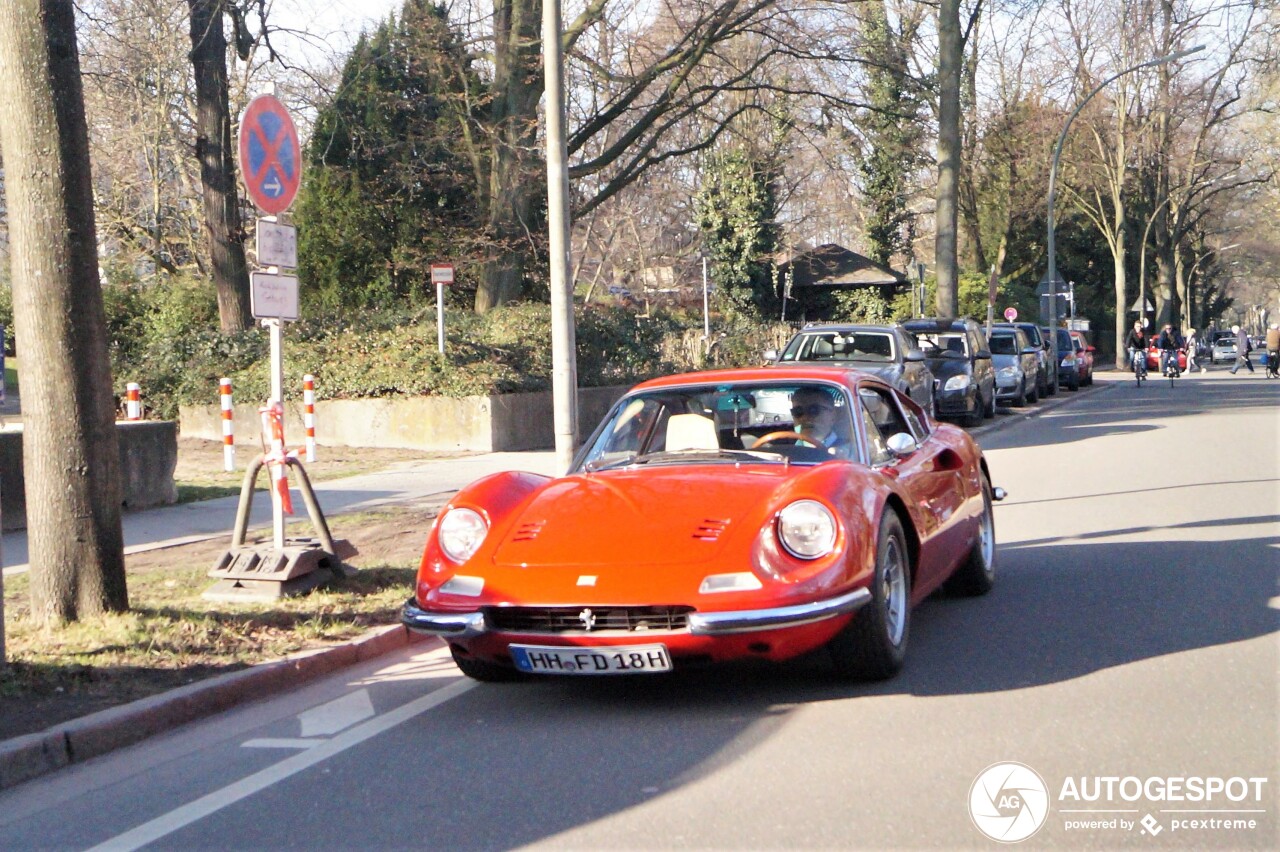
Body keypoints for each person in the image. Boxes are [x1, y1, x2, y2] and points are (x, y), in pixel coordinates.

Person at [789, 386, 853, 458]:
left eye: (814, 410)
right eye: (797, 411)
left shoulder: (850, 452)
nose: (805, 417)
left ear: (833, 415)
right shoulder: (783, 448)